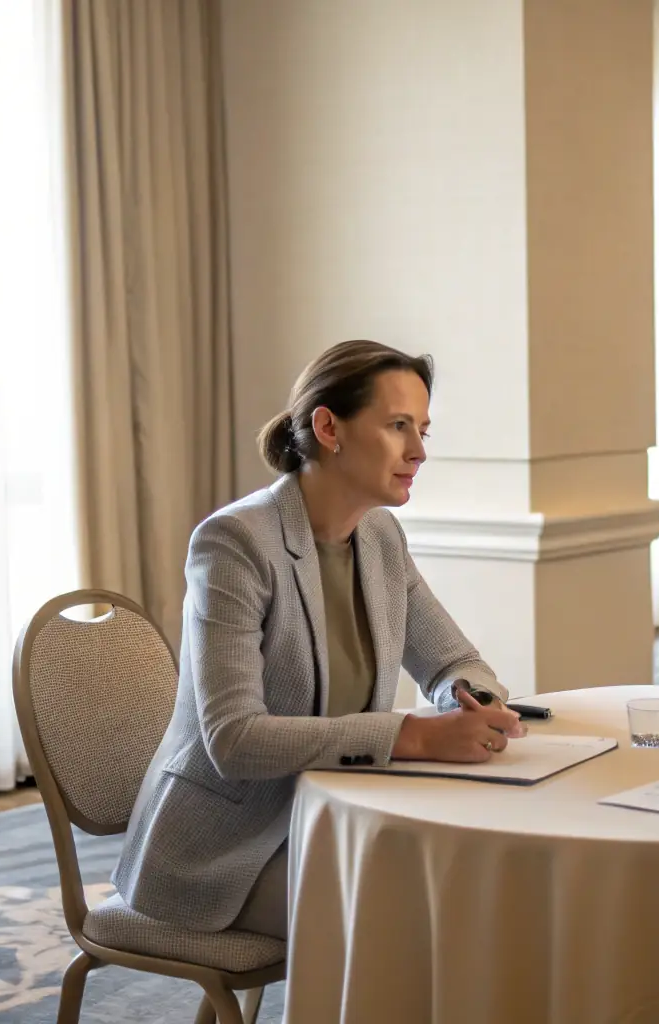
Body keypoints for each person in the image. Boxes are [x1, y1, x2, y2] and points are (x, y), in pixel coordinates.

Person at [113, 340, 525, 941]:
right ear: (328, 427)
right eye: (397, 426)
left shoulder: (380, 536)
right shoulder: (234, 543)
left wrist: (472, 699)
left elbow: (453, 660)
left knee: (469, 889)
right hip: (223, 853)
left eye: (423, 431)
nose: (417, 451)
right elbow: (234, 740)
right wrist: (411, 735)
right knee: (410, 923)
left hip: (334, 817)